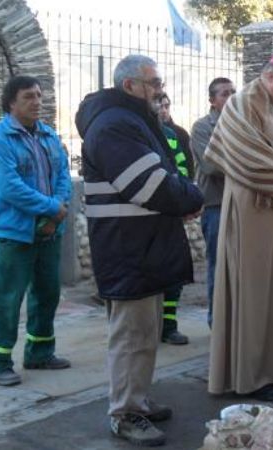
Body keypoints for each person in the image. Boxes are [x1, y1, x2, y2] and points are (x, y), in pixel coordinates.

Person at [76, 54, 203, 447]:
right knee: (131, 336)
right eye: (153, 82)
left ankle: (137, 400)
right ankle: (125, 413)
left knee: (144, 334)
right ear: (129, 86)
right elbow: (151, 184)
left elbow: (163, 177)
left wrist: (181, 195)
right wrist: (190, 197)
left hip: (142, 247)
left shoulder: (130, 121)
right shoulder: (115, 125)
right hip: (128, 250)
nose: (160, 89)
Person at [206, 50, 273, 402]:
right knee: (254, 292)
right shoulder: (241, 104)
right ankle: (253, 374)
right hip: (253, 211)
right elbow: (247, 158)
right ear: (271, 76)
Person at [0, 75, 72, 387]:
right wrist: (50, 209)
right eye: (28, 97)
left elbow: (63, 174)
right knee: (8, 298)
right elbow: (10, 188)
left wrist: (57, 211)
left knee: (47, 293)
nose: (37, 102)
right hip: (14, 232)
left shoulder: (48, 135)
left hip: (50, 229)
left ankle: (40, 353)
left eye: (38, 95)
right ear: (11, 103)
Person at [189, 77, 235, 328]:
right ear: (212, 100)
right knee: (219, 266)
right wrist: (247, 165)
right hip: (217, 206)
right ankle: (217, 323)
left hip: (243, 205)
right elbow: (211, 164)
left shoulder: (244, 125)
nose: (230, 98)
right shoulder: (202, 128)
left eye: (233, 93)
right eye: (224, 94)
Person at [154, 92, 193, 346]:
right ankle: (151, 326)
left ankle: (169, 325)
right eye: (159, 103)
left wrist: (186, 201)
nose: (163, 109)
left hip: (172, 214)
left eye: (167, 104)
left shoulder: (176, 135)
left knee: (174, 272)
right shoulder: (137, 132)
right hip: (147, 216)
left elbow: (185, 172)